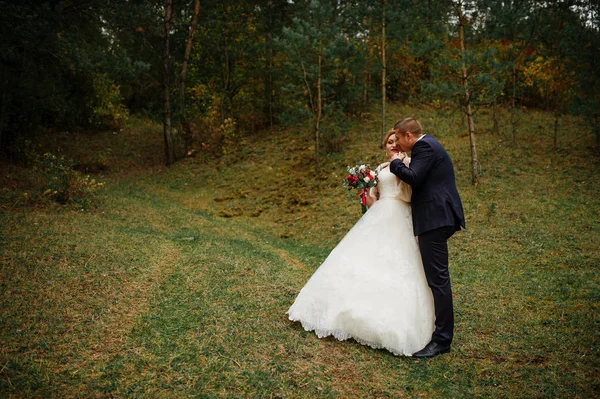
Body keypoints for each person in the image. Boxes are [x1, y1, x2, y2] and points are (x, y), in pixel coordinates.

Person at [287, 129, 435, 356]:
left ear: (404, 143)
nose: (393, 145)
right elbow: (373, 201)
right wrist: (366, 192)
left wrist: (400, 168)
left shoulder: (409, 162)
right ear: (385, 146)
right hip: (378, 216)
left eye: (397, 141)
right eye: (389, 142)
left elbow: (408, 195)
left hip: (400, 216)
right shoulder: (379, 169)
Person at [389, 117, 465, 358]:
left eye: (399, 138)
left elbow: (414, 177)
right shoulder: (430, 144)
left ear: (408, 136)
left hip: (435, 219)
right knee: (437, 278)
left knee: (438, 279)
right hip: (436, 218)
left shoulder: (424, 146)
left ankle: (442, 340)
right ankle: (441, 334)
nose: (398, 143)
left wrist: (394, 163)